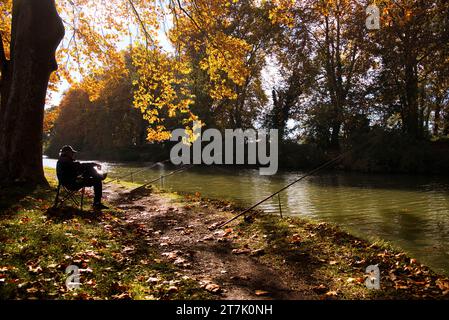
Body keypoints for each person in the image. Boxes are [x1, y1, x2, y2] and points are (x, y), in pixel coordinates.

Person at [56, 145, 108, 210]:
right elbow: (79, 166)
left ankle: (99, 177)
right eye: (72, 153)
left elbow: (77, 168)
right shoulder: (66, 161)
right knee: (97, 181)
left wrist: (90, 166)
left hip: (68, 182)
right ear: (67, 153)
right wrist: (94, 164)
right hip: (72, 184)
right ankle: (97, 203)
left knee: (89, 169)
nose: (73, 154)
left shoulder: (62, 160)